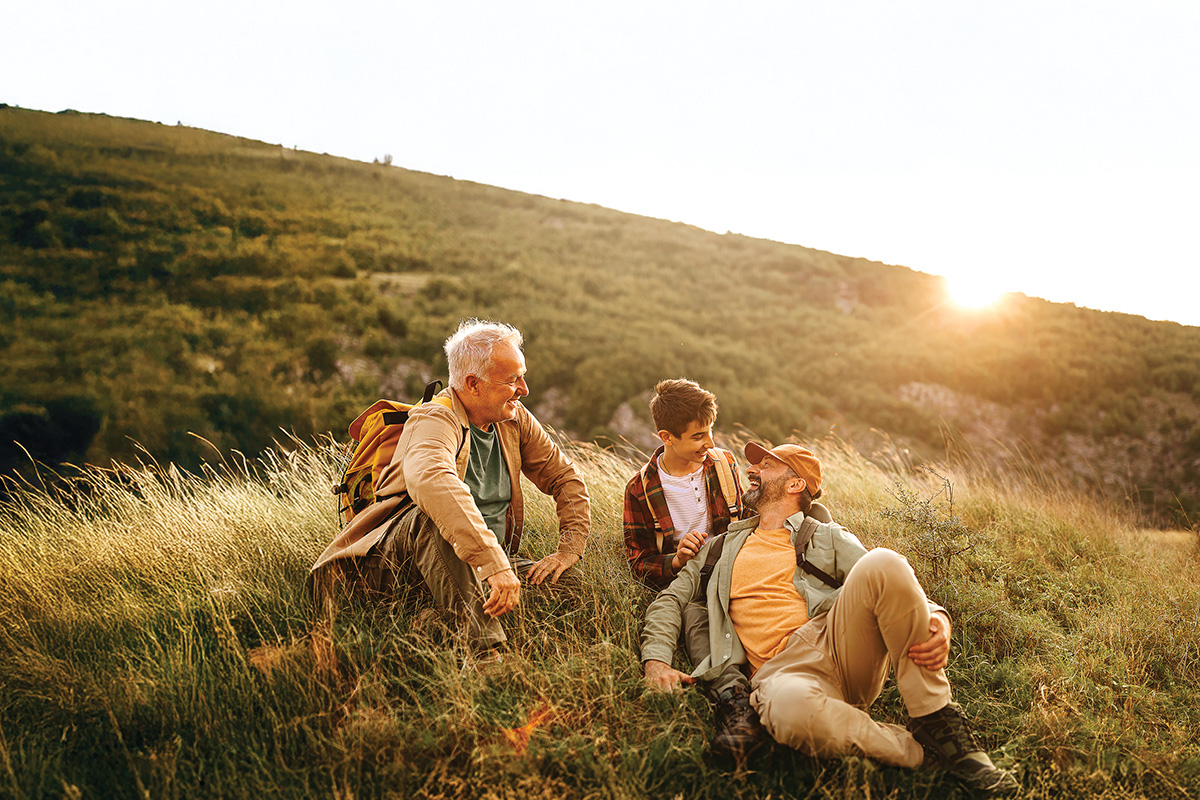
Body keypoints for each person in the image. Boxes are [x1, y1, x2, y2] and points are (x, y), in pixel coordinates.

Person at [640, 442, 1018, 794]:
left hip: (837, 642)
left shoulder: (825, 535)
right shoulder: (719, 547)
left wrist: (937, 616)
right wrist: (656, 662)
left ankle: (938, 718)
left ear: (795, 484)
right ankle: (923, 752)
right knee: (789, 713)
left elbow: (886, 578)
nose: (752, 469)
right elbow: (670, 600)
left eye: (766, 465)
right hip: (780, 674)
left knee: (882, 559)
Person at [310, 319, 591, 654]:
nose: (524, 389)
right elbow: (433, 481)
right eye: (513, 379)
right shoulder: (433, 420)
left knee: (567, 583)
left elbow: (563, 476)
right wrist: (495, 563)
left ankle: (430, 622)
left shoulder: (514, 419)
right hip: (394, 566)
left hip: (470, 565)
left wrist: (568, 549)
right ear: (473, 384)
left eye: (523, 375)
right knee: (432, 515)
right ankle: (487, 655)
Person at [623, 378, 764, 761]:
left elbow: (750, 517)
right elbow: (638, 561)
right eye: (698, 436)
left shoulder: (724, 464)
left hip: (738, 563)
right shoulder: (640, 489)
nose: (710, 443)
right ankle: (735, 703)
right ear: (666, 436)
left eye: (711, 432)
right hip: (693, 581)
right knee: (692, 618)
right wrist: (676, 560)